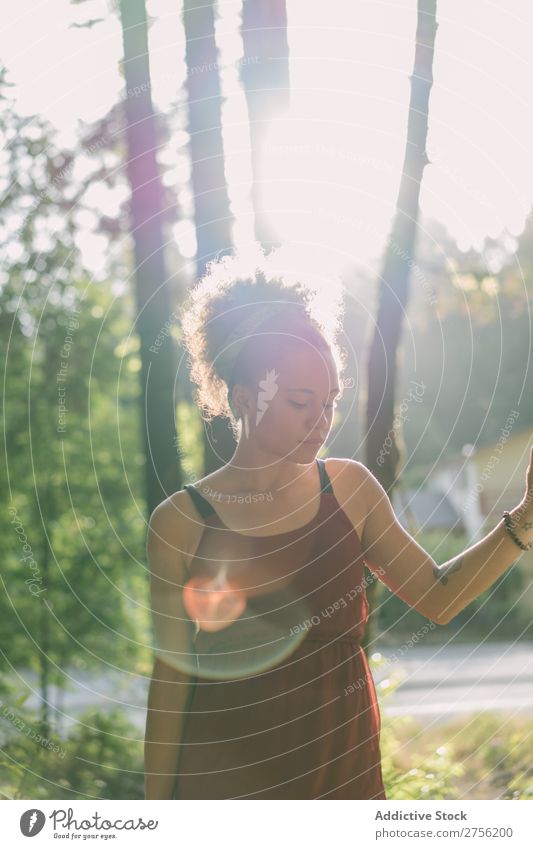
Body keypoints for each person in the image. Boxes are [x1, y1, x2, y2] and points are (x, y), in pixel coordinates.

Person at [144, 251, 533, 800]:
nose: (321, 420)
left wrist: (525, 519)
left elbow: (438, 598)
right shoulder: (180, 523)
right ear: (241, 398)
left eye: (330, 401)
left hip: (343, 783)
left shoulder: (350, 491)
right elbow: (171, 684)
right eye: (302, 401)